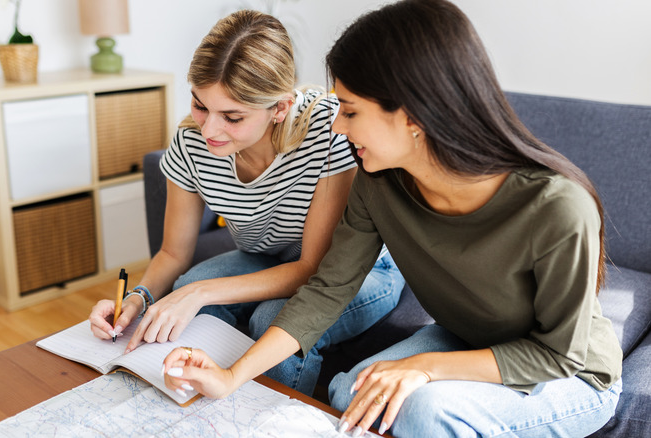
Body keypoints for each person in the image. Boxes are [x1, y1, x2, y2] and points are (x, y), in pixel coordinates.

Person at [161, 1, 623, 436]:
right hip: (464, 339)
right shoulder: (377, 182)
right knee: (351, 394)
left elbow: (559, 354)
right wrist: (230, 377)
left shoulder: (557, 205)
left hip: (570, 373)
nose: (337, 126)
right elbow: (325, 291)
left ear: (413, 116)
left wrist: (424, 367)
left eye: (350, 111)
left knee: (420, 409)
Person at [88, 10, 405, 397]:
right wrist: (138, 299)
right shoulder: (191, 144)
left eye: (232, 117)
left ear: (280, 108)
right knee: (183, 289)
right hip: (267, 256)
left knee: (269, 317)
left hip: (356, 271)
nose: (209, 130)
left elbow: (314, 269)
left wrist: (201, 292)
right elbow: (172, 253)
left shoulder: (326, 132)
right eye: (200, 105)